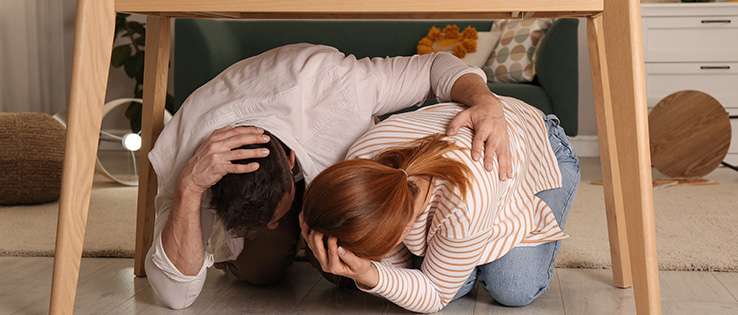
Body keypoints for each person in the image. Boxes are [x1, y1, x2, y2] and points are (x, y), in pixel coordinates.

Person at [143, 43, 515, 309]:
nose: (275, 225)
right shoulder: (189, 158)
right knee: (260, 271)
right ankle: (270, 247)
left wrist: (485, 101)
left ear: (289, 160)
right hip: (224, 162)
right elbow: (176, 296)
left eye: (276, 217)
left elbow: (436, 66)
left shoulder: (335, 85)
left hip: (327, 153)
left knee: (344, 273)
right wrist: (189, 189)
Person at [301, 98, 580, 313]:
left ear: (407, 226)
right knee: (450, 281)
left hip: (541, 146)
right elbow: (403, 271)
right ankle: (469, 249)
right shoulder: (361, 158)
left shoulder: (466, 201)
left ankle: (476, 245)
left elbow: (435, 294)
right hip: (477, 166)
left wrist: (370, 274)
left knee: (513, 288)